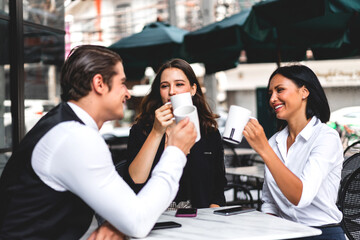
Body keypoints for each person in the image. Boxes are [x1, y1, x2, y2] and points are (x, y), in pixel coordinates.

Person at [0, 45, 197, 239]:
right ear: (99, 83)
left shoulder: (65, 126)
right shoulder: (74, 138)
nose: (127, 93)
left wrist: (116, 223)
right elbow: (138, 222)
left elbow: (120, 209)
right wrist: (176, 151)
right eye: (121, 83)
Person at [243, 64, 345, 239]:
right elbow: (269, 203)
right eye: (270, 94)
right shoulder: (275, 142)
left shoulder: (326, 137)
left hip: (322, 232)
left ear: (304, 92)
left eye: (280, 90)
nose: (272, 98)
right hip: (284, 233)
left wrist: (264, 150)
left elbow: (301, 196)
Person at [125, 58, 227, 209]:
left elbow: (218, 190)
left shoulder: (209, 133)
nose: (171, 92)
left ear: (193, 89)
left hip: (200, 221)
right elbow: (135, 179)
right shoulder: (143, 130)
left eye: (179, 84)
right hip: (155, 219)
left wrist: (211, 221)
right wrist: (157, 131)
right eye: (164, 86)